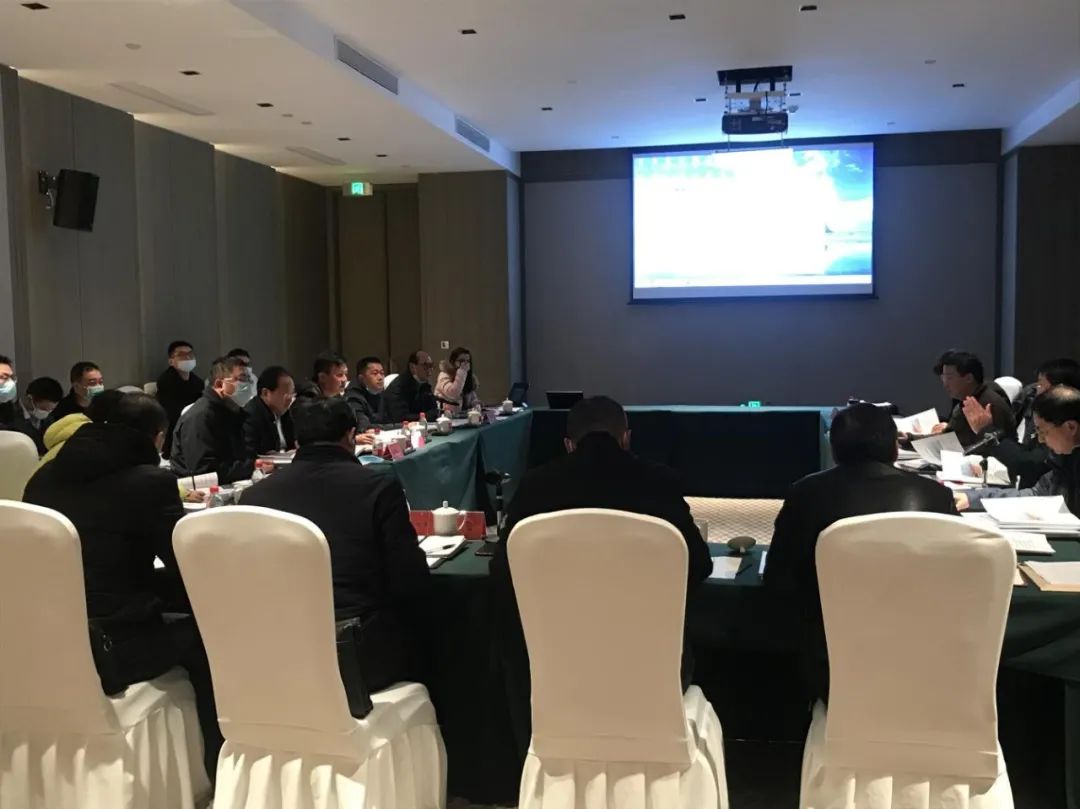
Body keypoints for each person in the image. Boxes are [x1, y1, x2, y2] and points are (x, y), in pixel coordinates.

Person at [490, 395, 711, 763]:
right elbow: (699, 566)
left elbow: (502, 571)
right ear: (626, 438)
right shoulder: (659, 482)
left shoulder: (536, 486)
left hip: (557, 673)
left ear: (568, 444)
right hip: (652, 672)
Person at [22, 393, 222, 776]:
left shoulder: (43, 478)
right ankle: (216, 770)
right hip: (111, 647)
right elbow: (186, 569)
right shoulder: (149, 482)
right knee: (212, 638)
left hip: (44, 640)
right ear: (157, 437)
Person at [764, 402, 958, 703]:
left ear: (833, 449)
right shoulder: (935, 496)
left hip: (828, 663)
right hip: (923, 659)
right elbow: (955, 576)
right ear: (895, 449)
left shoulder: (805, 493)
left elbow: (778, 579)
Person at [242, 396, 431, 692]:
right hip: (358, 657)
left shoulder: (254, 497)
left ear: (296, 441)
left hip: (275, 657)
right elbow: (409, 578)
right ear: (350, 436)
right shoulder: (377, 488)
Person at [958, 385, 1080, 517]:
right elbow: (1035, 495)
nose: (1041, 440)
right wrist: (972, 498)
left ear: (1071, 427)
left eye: (1043, 432)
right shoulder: (1063, 460)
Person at [971, 358, 1080, 488]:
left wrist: (987, 432)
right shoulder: (1030, 404)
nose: (1036, 391)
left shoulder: (1058, 427)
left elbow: (1031, 464)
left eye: (1041, 385)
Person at [170, 356, 263, 484]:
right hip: (198, 490)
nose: (248, 385)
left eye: (249, 379)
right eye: (242, 379)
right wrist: (251, 467)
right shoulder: (201, 416)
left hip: (231, 482)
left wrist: (255, 464)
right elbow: (204, 471)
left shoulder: (234, 412)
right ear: (219, 384)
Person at [929, 350, 1015, 447]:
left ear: (969, 378)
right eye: (943, 378)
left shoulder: (989, 404)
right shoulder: (966, 400)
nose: (945, 384)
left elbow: (996, 448)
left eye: (950, 378)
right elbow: (952, 437)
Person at [155, 341, 204, 458]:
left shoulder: (198, 382)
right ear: (171, 361)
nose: (187, 357)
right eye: (181, 355)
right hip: (173, 429)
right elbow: (170, 412)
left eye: (190, 354)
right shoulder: (165, 381)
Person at [243, 365, 296, 456]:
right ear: (265, 393)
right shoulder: (250, 416)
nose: (290, 398)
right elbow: (249, 453)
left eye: (292, 393)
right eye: (285, 393)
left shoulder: (286, 413)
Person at [383, 350, 438, 423]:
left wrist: (426, 416)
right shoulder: (399, 386)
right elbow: (401, 417)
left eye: (431, 365)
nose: (430, 369)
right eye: (426, 365)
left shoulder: (424, 385)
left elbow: (434, 410)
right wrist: (425, 416)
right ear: (412, 367)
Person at [19, 376, 63, 453]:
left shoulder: (49, 419)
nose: (47, 413)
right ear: (30, 398)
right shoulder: (8, 416)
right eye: (43, 409)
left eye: (51, 410)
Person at [345, 356, 387, 431]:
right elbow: (364, 427)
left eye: (382, 373)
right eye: (375, 373)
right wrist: (400, 426)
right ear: (361, 378)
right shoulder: (353, 397)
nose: (380, 377)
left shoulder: (380, 391)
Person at [435, 346, 481, 415]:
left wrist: (476, 403)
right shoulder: (444, 375)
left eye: (468, 361)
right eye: (461, 361)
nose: (465, 364)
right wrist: (462, 371)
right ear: (453, 362)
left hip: (463, 416)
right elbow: (453, 393)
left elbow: (472, 396)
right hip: (445, 416)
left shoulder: (468, 377)